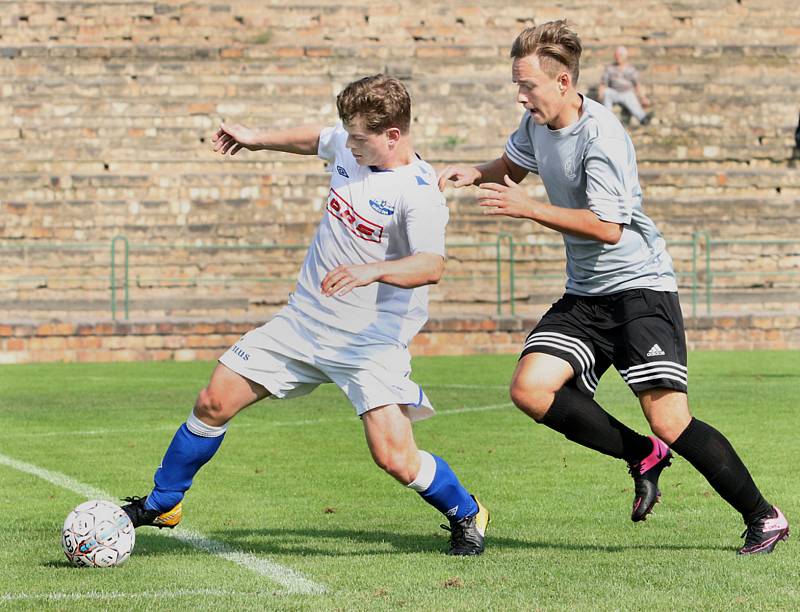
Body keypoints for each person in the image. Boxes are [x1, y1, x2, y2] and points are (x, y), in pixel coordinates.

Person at [438, 20, 788, 555]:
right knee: (530, 390)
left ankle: (764, 516)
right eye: (518, 83)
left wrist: (528, 208)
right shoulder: (536, 123)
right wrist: (474, 172)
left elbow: (608, 228)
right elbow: (511, 165)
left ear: (562, 82)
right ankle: (641, 455)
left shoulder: (603, 137)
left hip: (638, 289)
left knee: (669, 418)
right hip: (586, 293)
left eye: (527, 85)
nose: (520, 94)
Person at [122, 74, 489, 556]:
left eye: (360, 137)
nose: (349, 145)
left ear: (392, 136)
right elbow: (316, 138)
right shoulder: (350, 146)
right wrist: (255, 139)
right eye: (349, 134)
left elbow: (431, 265)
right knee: (213, 399)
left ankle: (467, 512)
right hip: (302, 323)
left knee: (395, 459)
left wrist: (369, 271)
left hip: (368, 343)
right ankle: (164, 502)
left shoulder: (418, 193)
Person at [597, 45, 652, 125]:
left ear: (625, 56)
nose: (617, 57)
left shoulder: (631, 69)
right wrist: (600, 95)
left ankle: (643, 118)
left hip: (626, 93)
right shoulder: (610, 68)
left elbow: (637, 85)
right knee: (606, 92)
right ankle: (607, 118)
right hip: (614, 92)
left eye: (620, 55)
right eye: (616, 55)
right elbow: (603, 84)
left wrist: (643, 97)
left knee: (631, 97)